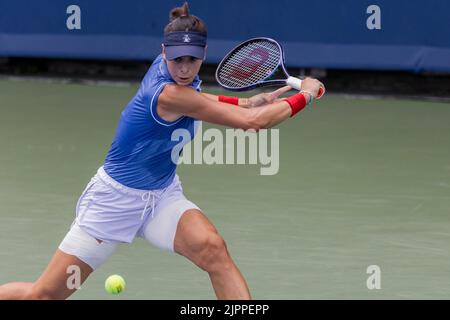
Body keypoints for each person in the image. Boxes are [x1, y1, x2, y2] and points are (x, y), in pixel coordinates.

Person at [0, 2, 323, 300]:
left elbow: (200, 100)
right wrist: (305, 95)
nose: (184, 68)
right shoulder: (166, 92)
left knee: (214, 251)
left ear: (204, 53)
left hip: (161, 195)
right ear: (163, 52)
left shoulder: (175, 75)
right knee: (41, 296)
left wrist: (242, 101)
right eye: (176, 59)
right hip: (113, 203)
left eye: (192, 59)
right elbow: (254, 123)